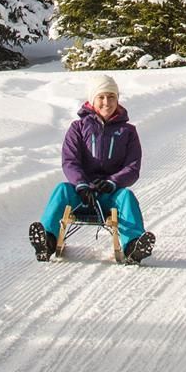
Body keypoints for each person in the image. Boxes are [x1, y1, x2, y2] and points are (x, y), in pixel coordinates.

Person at [29, 74, 156, 264]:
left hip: (109, 194)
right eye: (101, 97)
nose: (107, 102)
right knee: (62, 189)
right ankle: (46, 241)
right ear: (92, 99)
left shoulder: (128, 131)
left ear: (118, 99)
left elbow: (132, 167)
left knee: (126, 197)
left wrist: (113, 182)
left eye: (111, 97)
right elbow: (70, 160)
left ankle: (133, 246)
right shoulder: (78, 128)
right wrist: (80, 184)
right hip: (81, 193)